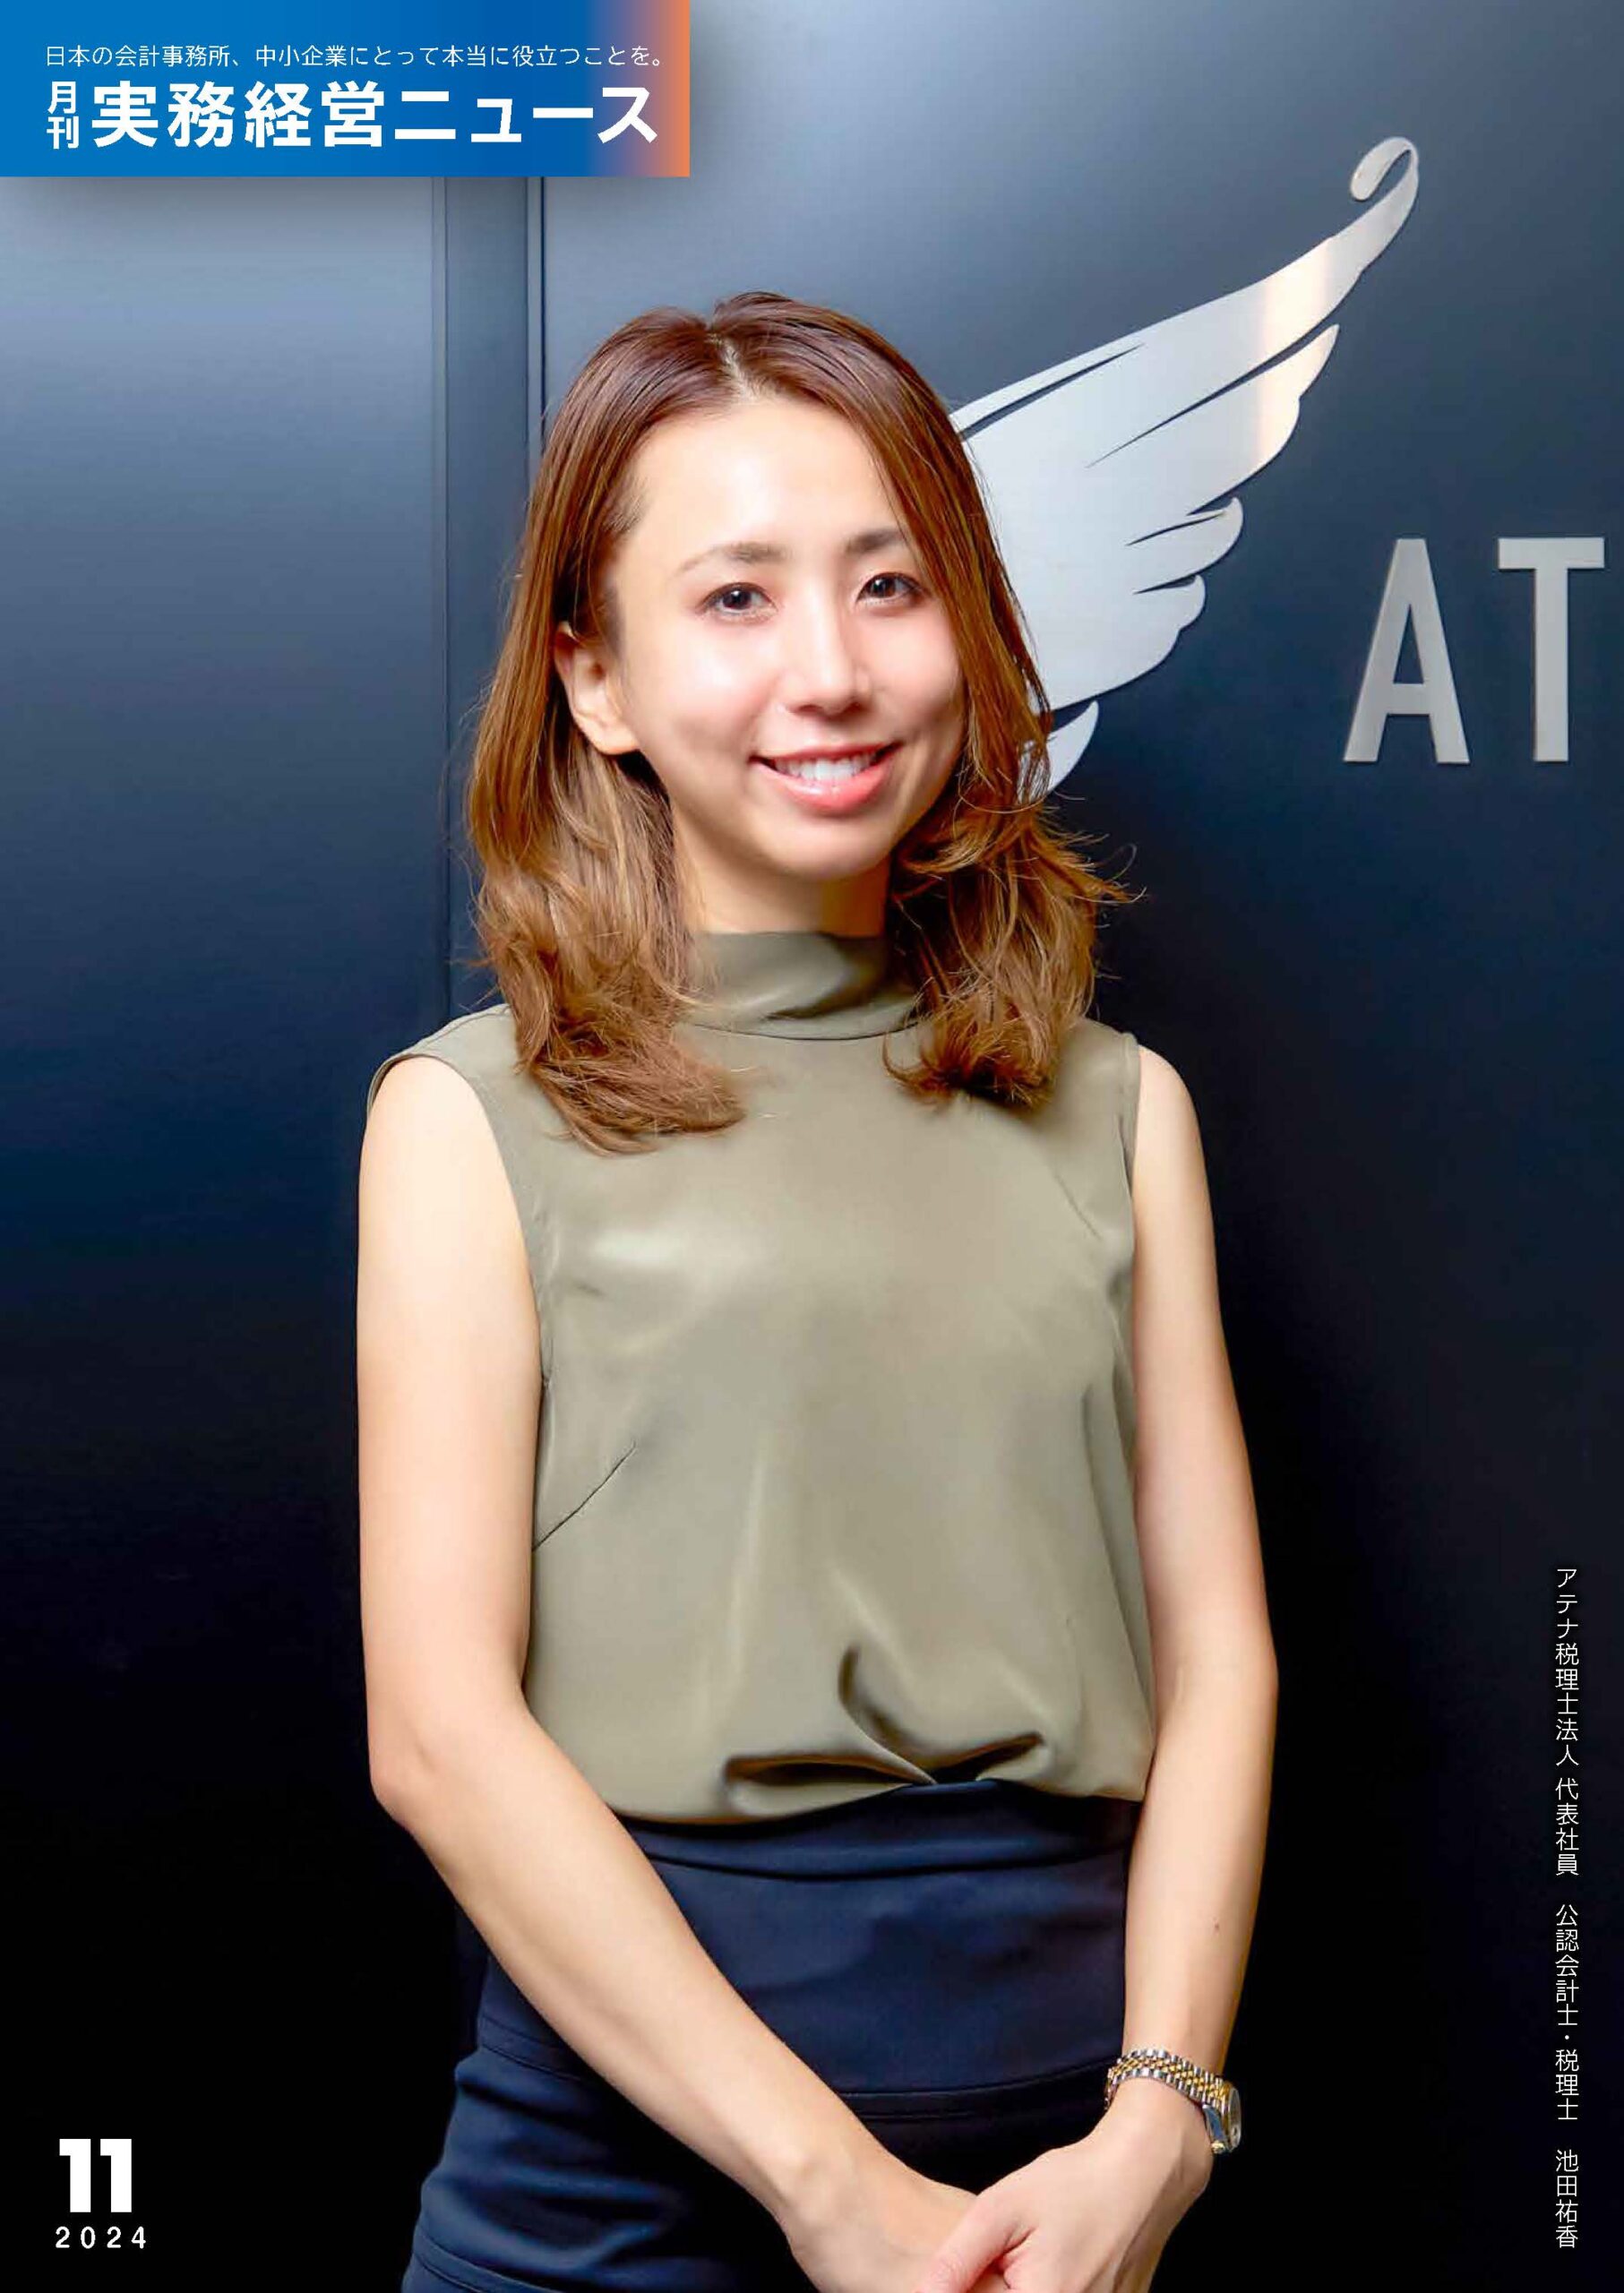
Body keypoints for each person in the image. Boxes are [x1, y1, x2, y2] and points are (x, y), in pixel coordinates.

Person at [357, 290, 1276, 2293]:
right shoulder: (468, 1115)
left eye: (888, 584)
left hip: (1066, 2194)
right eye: (736, 599)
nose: (835, 672)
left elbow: (1219, 1662)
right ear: (594, 679)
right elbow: (435, 1732)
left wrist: (1156, 2130)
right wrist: (832, 2193)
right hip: (622, 2191)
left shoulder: (1120, 1109)